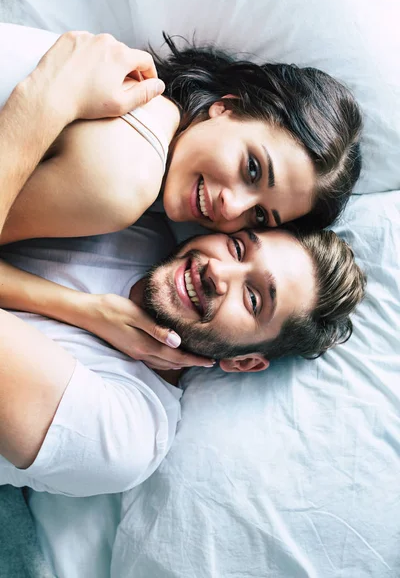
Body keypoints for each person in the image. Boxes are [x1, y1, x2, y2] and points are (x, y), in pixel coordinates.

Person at [0, 31, 363, 368]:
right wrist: (44, 102)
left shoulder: (150, 173)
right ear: (227, 107)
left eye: (259, 216)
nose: (232, 207)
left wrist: (91, 311)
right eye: (252, 169)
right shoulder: (127, 176)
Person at [0, 210, 365, 495]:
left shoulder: (130, 434)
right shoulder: (135, 225)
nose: (218, 271)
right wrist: (86, 310)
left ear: (243, 362)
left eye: (252, 299)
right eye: (238, 248)